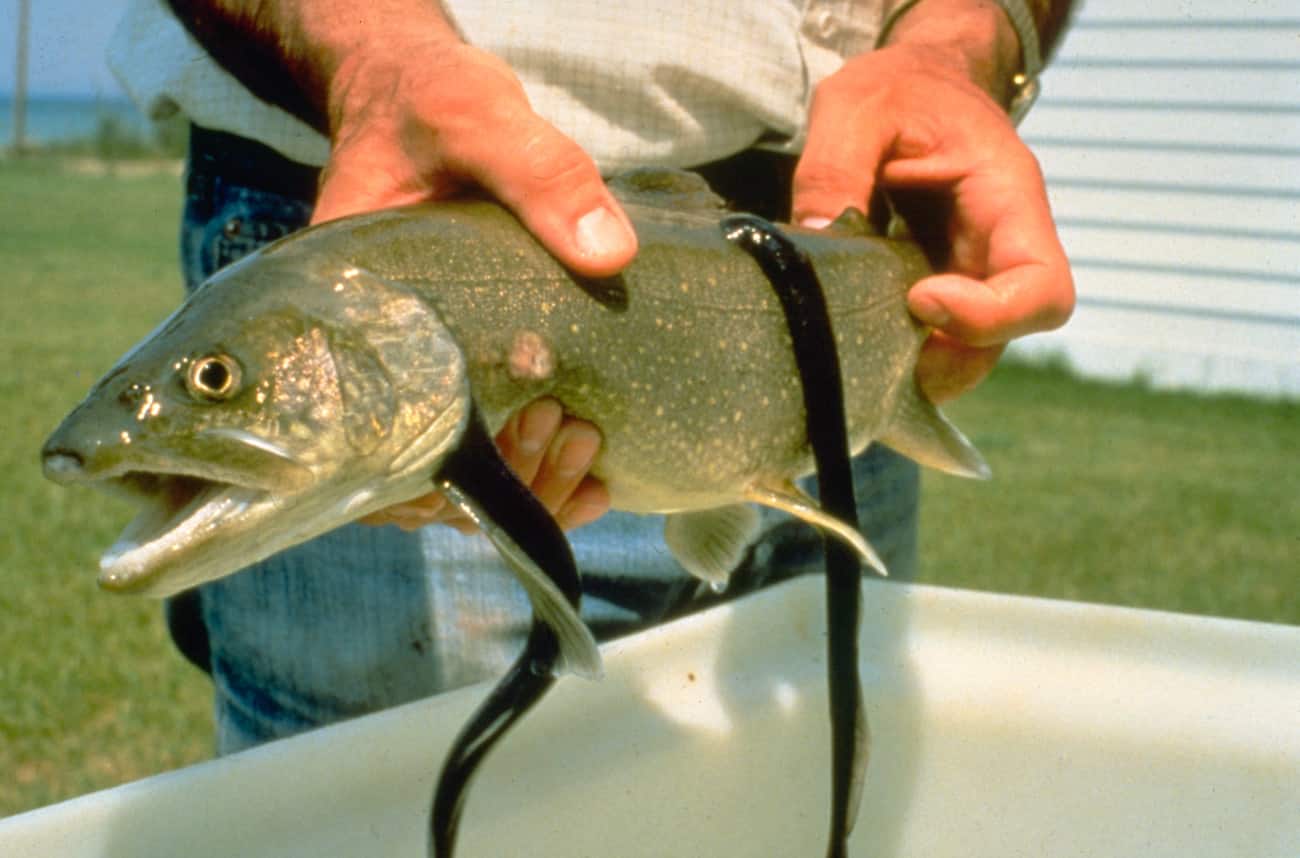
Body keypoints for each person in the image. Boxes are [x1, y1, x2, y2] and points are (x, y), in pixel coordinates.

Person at [110, 0, 1075, 753]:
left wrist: (961, 43)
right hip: (382, 189)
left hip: (842, 252)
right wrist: (371, 57)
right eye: (216, 383)